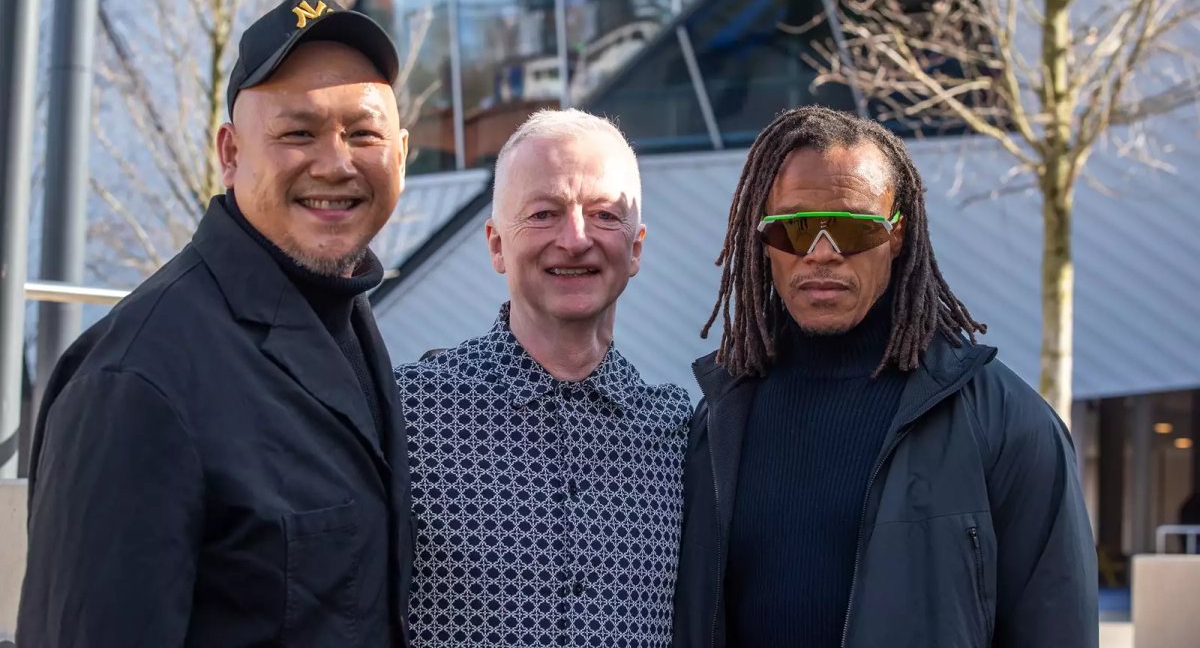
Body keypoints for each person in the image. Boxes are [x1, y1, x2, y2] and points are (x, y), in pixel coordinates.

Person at [19, 0, 415, 648]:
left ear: (400, 151)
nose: (337, 162)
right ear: (230, 153)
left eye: (363, 132)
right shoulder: (134, 380)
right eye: (298, 132)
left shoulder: (348, 322)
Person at [673, 106, 1097, 648]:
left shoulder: (1007, 423)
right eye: (796, 228)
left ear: (896, 234)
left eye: (853, 229)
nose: (822, 254)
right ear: (762, 238)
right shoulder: (719, 417)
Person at [396, 109, 692, 647]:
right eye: (543, 213)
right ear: (495, 245)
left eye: (604, 214)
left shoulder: (679, 436)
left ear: (637, 247)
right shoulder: (408, 414)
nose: (576, 239)